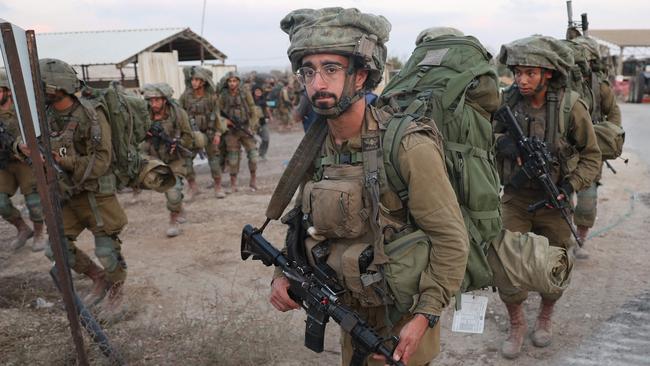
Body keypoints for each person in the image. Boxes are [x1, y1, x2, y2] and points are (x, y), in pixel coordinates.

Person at [270, 8, 468, 365]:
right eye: (308, 71)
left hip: (403, 314)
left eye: (331, 69)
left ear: (361, 75)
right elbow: (302, 220)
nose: (318, 83)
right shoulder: (317, 145)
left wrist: (424, 317)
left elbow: (450, 239)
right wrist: (284, 274)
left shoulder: (407, 146)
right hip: (350, 309)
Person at [494, 36, 601, 359]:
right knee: (507, 264)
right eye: (518, 73)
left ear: (549, 73)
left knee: (555, 265)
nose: (522, 80)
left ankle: (544, 317)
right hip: (515, 197)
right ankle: (517, 324)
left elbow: (591, 156)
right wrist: (503, 144)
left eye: (530, 73)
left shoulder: (571, 107)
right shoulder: (507, 102)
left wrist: (569, 187)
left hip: (554, 200)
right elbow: (484, 134)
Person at [36, 58, 129, 320]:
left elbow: (101, 161)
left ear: (57, 87)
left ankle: (116, 294)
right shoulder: (43, 115)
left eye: (41, 85)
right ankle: (98, 278)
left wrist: (63, 161)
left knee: (107, 251)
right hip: (66, 195)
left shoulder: (91, 114)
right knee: (55, 249)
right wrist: (24, 149)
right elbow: (27, 142)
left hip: (96, 194)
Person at [572, 36, 622, 259]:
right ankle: (559, 240)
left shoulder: (599, 86)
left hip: (589, 151)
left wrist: (607, 135)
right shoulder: (561, 83)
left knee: (587, 200)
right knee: (557, 197)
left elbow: (613, 112)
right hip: (565, 150)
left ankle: (580, 237)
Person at [0, 70, 47, 251]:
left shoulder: (22, 111)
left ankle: (39, 233)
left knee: (34, 202)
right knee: (1, 203)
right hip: (4, 163)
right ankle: (22, 228)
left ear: (8, 91)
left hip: (24, 162)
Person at [140, 83, 193, 237]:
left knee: (173, 193)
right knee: (164, 189)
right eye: (151, 100)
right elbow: (134, 136)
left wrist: (178, 144)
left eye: (157, 100)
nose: (153, 104)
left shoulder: (178, 114)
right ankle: (178, 207)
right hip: (153, 160)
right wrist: (146, 137)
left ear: (164, 100)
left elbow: (188, 137)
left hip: (174, 159)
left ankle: (173, 220)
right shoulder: (144, 115)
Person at [179, 66, 227, 199]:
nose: (193, 82)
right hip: (192, 134)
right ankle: (192, 187)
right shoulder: (186, 96)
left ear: (203, 81)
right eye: (193, 79)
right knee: (187, 160)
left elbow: (218, 116)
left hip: (209, 133)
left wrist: (218, 133)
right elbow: (179, 113)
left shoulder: (212, 97)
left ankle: (218, 187)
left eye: (197, 80)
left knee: (214, 160)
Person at [219, 72, 259, 192]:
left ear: (238, 82)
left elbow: (253, 109)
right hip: (231, 131)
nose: (232, 83)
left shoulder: (244, 93)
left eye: (234, 81)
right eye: (230, 81)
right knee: (233, 158)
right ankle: (233, 184)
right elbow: (217, 112)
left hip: (245, 128)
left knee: (253, 156)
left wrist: (252, 126)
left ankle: (253, 180)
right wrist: (225, 122)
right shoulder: (223, 95)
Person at [252, 85, 271, 160]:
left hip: (262, 123)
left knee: (266, 139)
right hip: (252, 124)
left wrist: (270, 117)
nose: (258, 92)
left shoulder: (263, 101)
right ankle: (253, 155)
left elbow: (267, 109)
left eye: (260, 91)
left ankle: (262, 153)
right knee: (252, 140)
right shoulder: (250, 101)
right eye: (257, 91)